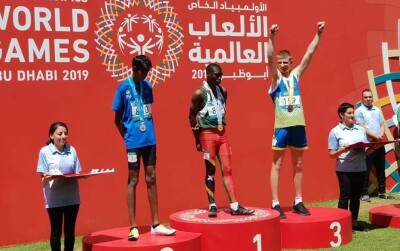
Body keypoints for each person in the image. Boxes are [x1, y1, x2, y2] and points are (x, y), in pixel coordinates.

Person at [112, 55, 176, 241]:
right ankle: (133, 227)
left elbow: (147, 112)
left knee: (152, 178)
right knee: (133, 180)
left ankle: (156, 224)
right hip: (133, 142)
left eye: (148, 72)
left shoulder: (148, 87)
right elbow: (117, 119)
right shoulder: (123, 88)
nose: (147, 75)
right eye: (144, 71)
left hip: (150, 140)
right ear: (134, 69)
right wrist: (127, 138)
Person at [267, 22, 325, 219]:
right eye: (280, 62)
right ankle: (275, 203)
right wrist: (271, 38)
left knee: (298, 164)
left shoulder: (296, 76)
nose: (283, 65)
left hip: (298, 125)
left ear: (291, 62)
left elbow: (309, 53)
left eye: (286, 62)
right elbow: (268, 58)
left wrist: (318, 33)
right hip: (281, 127)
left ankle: (298, 201)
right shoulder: (275, 79)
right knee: (277, 164)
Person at [188, 63, 255, 217]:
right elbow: (191, 116)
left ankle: (235, 205)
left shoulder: (223, 91)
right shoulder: (199, 93)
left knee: (228, 170)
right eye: (216, 75)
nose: (219, 78)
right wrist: (197, 139)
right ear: (208, 74)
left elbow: (221, 109)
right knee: (210, 170)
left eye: (221, 75)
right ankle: (212, 205)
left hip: (222, 134)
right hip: (207, 135)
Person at [37, 122, 82, 251]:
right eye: (59, 133)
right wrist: (49, 176)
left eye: (65, 133)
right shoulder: (44, 151)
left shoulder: (72, 150)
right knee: (56, 232)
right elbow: (43, 174)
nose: (63, 136)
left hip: (72, 198)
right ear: (51, 135)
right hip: (54, 199)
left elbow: (77, 171)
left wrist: (83, 176)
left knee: (70, 230)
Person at [328, 103, 369, 232]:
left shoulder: (360, 129)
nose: (352, 116)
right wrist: (342, 150)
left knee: (356, 197)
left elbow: (365, 148)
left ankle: (354, 223)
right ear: (341, 115)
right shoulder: (335, 131)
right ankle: (342, 225)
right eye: (349, 113)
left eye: (353, 113)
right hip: (344, 170)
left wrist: (372, 147)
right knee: (345, 197)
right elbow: (331, 154)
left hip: (361, 168)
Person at [355, 89, 394, 201]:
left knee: (381, 168)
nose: (368, 99)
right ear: (362, 99)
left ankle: (382, 192)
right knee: (365, 169)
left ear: (372, 97)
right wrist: (375, 136)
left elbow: (382, 124)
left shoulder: (377, 110)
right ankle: (364, 193)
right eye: (366, 97)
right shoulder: (359, 111)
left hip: (379, 144)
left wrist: (381, 135)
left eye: (370, 97)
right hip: (367, 145)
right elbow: (361, 127)